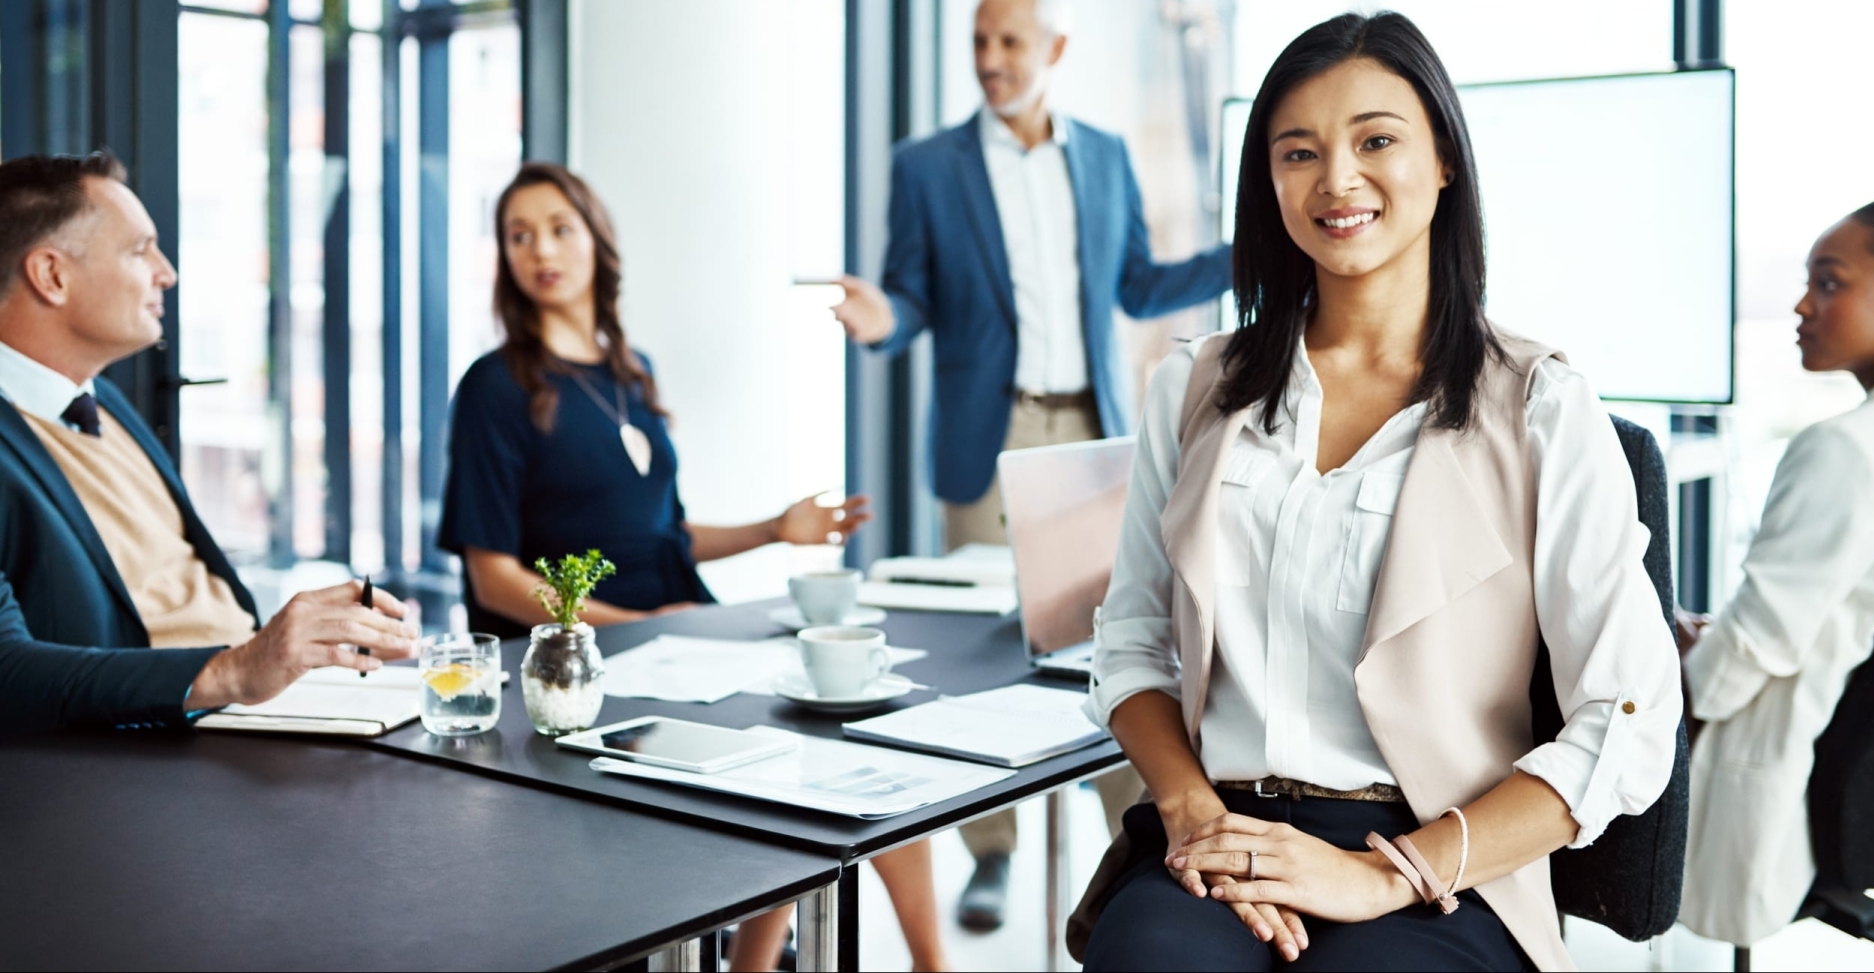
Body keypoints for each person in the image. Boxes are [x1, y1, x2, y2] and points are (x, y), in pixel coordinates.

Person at [1076, 14, 1681, 971]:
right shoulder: (1196, 386)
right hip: (1225, 834)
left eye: (1376, 141)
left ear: (1443, 159)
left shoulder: (1539, 405)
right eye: (1299, 152)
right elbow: (1134, 641)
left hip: (1441, 857)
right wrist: (1190, 807)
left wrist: (1388, 872)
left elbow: (1630, 715)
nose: (1337, 180)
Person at [438, 162, 944, 972]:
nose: (542, 250)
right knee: (791, 751)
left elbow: (662, 538)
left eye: (560, 229)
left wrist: (776, 528)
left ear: (598, 243)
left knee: (856, 734)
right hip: (586, 660)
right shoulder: (495, 389)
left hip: (675, 631)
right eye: (519, 235)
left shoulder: (630, 372)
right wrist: (632, 627)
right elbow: (495, 576)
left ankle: (919, 965)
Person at [829, 0, 1230, 929]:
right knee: (983, 651)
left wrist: (1240, 252)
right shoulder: (926, 166)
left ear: (1055, 49)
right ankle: (992, 853)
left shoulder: (1102, 154)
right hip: (988, 435)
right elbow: (911, 294)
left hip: (1088, 435)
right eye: (978, 42)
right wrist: (883, 319)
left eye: (1009, 42)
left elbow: (1135, 283)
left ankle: (1132, 835)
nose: (989, 60)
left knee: (1116, 637)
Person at [0, 152, 417, 734]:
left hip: (255, 711)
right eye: (139, 250)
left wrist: (284, 656)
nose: (165, 271)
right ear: (51, 275)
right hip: (152, 747)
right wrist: (234, 671)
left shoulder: (106, 402)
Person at [1676, 163, 1874, 947]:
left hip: (1782, 775)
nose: (1801, 304)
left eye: (1830, 282)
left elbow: (1753, 651)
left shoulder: (1846, 449)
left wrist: (1674, 680)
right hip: (1867, 775)